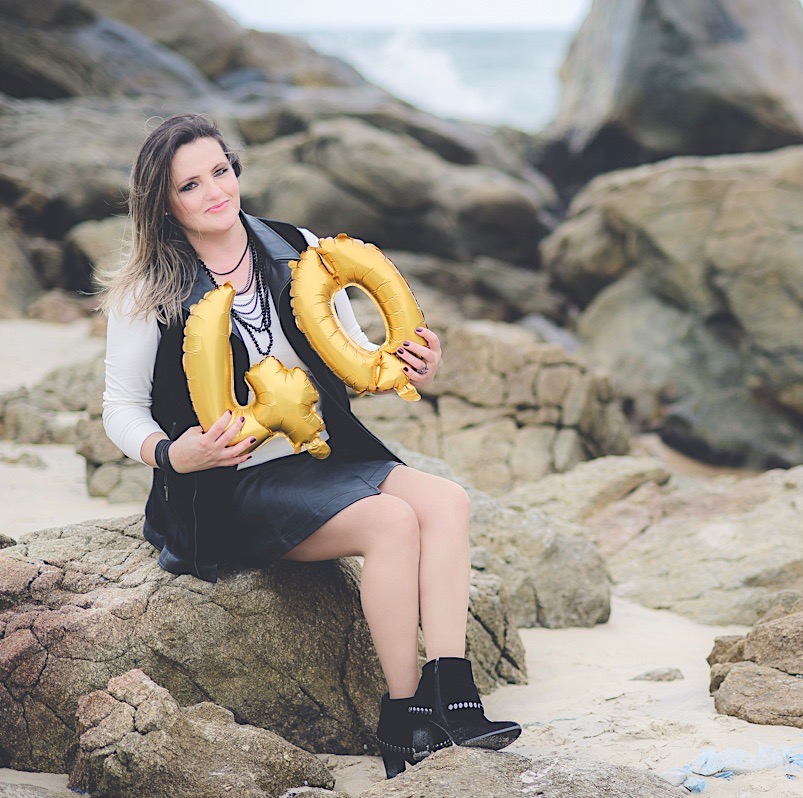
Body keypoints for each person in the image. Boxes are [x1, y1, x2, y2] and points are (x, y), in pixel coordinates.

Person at [99, 112, 519, 778]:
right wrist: (174, 454)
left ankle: (455, 696)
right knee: (391, 523)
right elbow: (120, 410)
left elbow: (348, 359)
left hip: (325, 455)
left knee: (446, 501)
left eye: (221, 170)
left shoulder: (297, 245)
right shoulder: (149, 290)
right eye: (190, 185)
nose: (216, 191)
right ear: (163, 203)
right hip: (229, 485)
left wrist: (407, 365)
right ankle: (405, 719)